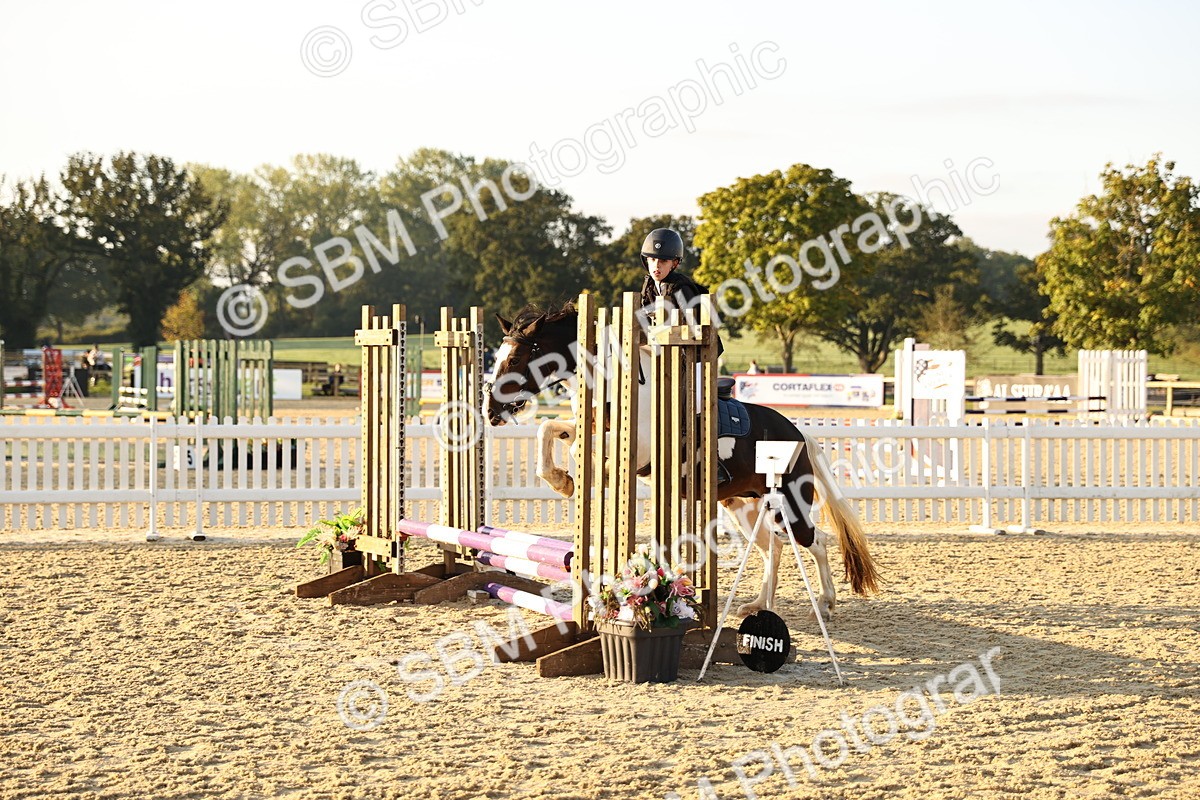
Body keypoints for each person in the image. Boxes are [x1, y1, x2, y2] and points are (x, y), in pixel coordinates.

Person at [637, 228, 724, 356]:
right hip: (669, 350)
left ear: (674, 263)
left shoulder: (681, 288)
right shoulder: (649, 286)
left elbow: (691, 327)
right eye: (653, 259)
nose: (657, 265)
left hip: (699, 354)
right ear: (646, 260)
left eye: (663, 261)